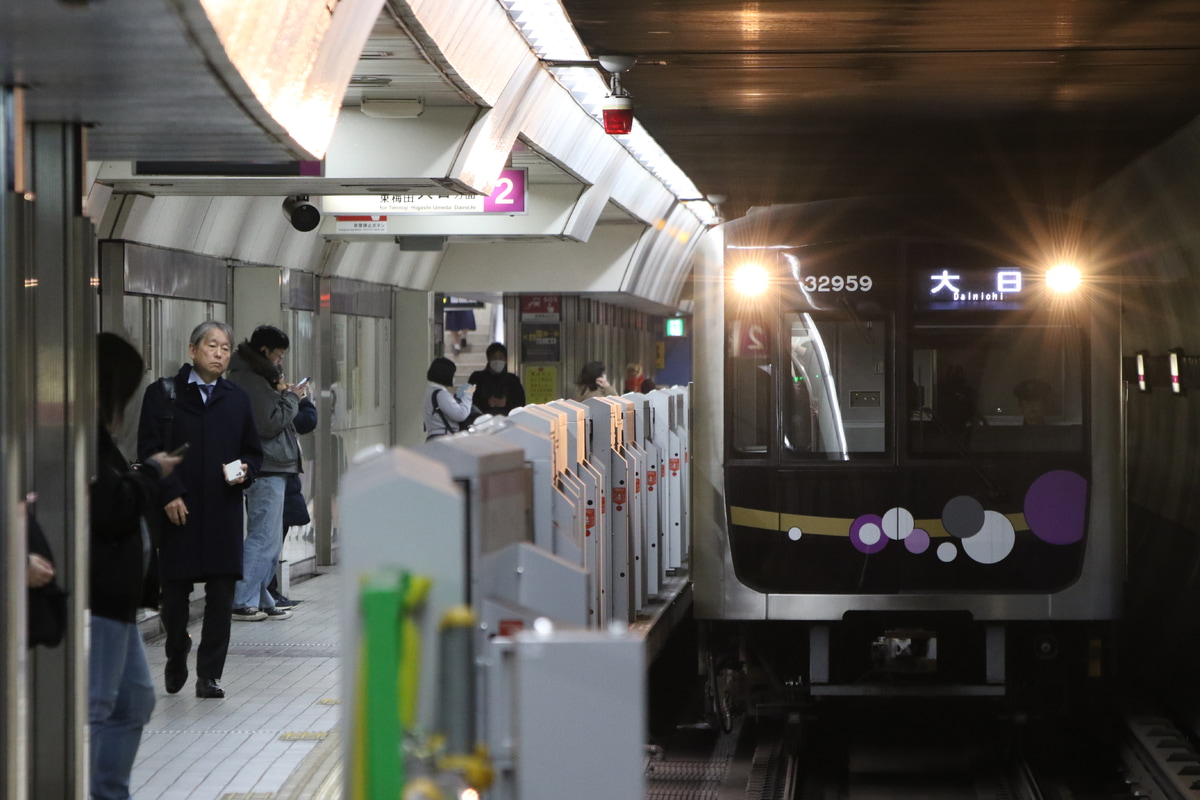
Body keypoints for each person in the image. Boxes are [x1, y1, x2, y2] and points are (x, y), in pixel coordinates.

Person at [138, 320, 263, 700]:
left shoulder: (237, 398)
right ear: (193, 350)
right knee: (174, 597)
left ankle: (209, 675)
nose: (219, 354)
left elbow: (253, 452)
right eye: (212, 346)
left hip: (223, 511)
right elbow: (149, 451)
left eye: (225, 348)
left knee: (221, 598)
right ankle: (177, 649)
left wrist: (244, 471)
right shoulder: (163, 395)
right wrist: (169, 494)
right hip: (179, 511)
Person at [91, 332, 183, 800]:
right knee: (100, 705)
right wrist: (149, 475)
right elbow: (110, 508)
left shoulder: (96, 439)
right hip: (98, 596)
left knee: (134, 701)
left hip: (118, 600)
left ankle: (109, 793)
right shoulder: (79, 440)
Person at [227, 325, 305, 623]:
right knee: (262, 537)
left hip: (272, 464)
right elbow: (269, 423)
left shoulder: (259, 377)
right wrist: (293, 398)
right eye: (278, 354)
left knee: (270, 539)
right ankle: (242, 599)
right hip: (265, 465)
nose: (280, 360)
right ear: (263, 350)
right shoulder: (250, 378)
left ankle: (260, 596)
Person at [268, 385, 317, 609]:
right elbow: (304, 420)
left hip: (284, 474)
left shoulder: (281, 400)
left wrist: (298, 398)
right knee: (267, 539)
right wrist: (297, 398)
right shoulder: (270, 402)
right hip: (272, 472)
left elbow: (307, 421)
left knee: (275, 536)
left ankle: (268, 590)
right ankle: (264, 591)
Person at [468, 342, 525, 416]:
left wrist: (506, 403)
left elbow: (521, 402)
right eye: (494, 358)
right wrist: (486, 402)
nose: (497, 361)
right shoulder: (476, 378)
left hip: (508, 418)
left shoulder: (513, 380)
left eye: (500, 358)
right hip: (482, 418)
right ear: (488, 359)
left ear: (505, 360)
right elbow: (468, 399)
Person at [425, 356, 475, 440]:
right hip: (443, 437)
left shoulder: (431, 390)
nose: (453, 377)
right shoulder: (441, 394)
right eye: (453, 374)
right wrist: (468, 395)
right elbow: (460, 414)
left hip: (434, 438)